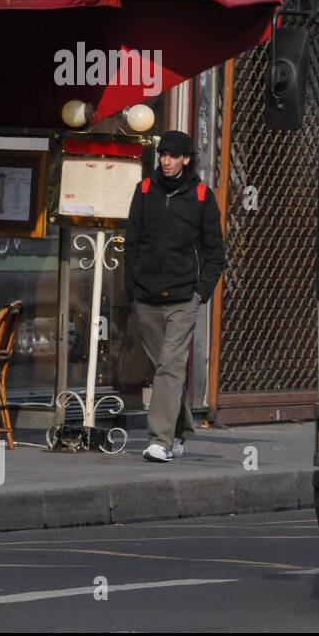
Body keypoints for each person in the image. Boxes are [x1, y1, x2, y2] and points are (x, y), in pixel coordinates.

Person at [124, 130, 225, 462]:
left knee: (169, 366)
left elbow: (216, 252)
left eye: (172, 155)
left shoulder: (201, 196)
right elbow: (132, 243)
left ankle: (160, 440)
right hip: (147, 298)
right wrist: (132, 289)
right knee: (166, 369)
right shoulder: (144, 191)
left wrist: (201, 292)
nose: (165, 161)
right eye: (162, 154)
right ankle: (181, 430)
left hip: (183, 298)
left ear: (186, 159)